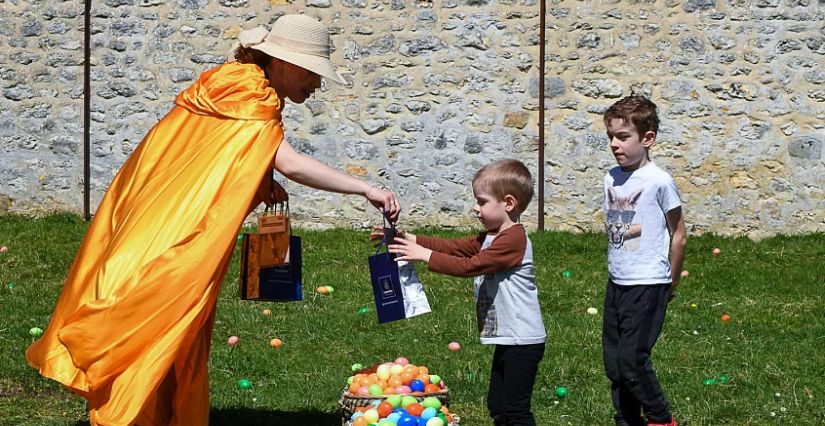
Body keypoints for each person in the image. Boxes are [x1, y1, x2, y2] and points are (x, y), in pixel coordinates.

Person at [26, 14, 400, 426]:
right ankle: (129, 413)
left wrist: (259, 180)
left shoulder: (228, 84)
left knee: (171, 320)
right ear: (278, 62)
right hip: (182, 232)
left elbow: (210, 159)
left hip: (155, 217)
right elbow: (290, 162)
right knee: (160, 315)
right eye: (311, 71)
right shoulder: (252, 97)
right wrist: (365, 189)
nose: (316, 84)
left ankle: (159, 414)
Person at [378, 159, 546, 426]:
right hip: (511, 338)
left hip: (523, 340)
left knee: (515, 409)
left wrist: (424, 255)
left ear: (509, 203)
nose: (475, 208)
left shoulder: (513, 239)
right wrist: (409, 238)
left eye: (481, 202)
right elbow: (456, 247)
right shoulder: (491, 235)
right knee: (498, 406)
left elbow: (471, 266)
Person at [600, 95, 687, 426]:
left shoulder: (659, 181)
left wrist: (671, 282)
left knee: (633, 360)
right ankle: (627, 420)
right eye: (611, 136)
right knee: (614, 364)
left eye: (623, 137)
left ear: (647, 139)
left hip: (649, 282)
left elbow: (678, 234)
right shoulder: (611, 177)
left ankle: (662, 419)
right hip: (617, 281)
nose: (615, 144)